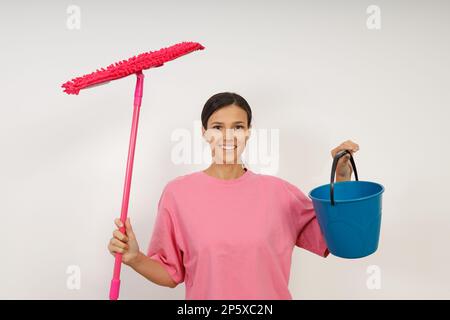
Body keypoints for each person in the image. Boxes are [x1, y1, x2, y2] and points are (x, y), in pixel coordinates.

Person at [108, 92, 359, 299]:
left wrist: (342, 178)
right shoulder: (177, 194)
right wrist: (134, 258)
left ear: (249, 132)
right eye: (218, 127)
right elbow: (170, 274)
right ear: (204, 132)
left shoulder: (280, 194)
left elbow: (340, 238)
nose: (228, 136)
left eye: (238, 127)